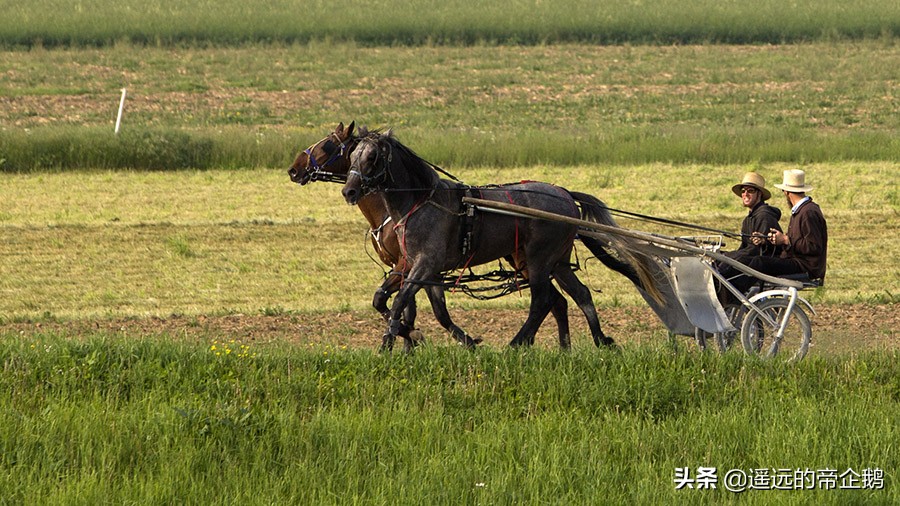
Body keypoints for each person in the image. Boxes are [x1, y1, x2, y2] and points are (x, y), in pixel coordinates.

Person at [736, 169, 828, 291]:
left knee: (759, 262)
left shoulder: (808, 212)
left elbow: (813, 246)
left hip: (806, 266)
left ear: (786, 192)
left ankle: (734, 295)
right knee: (757, 261)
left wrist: (785, 239)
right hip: (797, 261)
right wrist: (767, 240)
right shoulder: (801, 210)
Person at [723, 172, 783, 263]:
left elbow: (757, 251)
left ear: (759, 194)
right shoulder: (747, 220)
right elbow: (744, 248)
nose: (745, 194)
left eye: (750, 191)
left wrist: (728, 257)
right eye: (743, 191)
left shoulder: (764, 215)